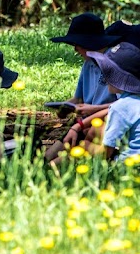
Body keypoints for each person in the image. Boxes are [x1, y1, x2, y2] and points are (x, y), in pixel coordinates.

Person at [44, 13, 119, 163]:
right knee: (48, 156)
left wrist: (92, 110)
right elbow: (78, 98)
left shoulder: (116, 64)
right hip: (83, 121)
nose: (75, 50)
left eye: (76, 45)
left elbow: (127, 104)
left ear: (86, 43)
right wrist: (66, 106)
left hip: (105, 122)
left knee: (57, 163)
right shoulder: (88, 64)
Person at [86, 42, 140, 162]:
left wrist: (86, 146)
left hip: (131, 166)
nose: (104, 77)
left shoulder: (120, 107)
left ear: (118, 77)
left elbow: (105, 153)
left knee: (85, 145)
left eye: (108, 72)